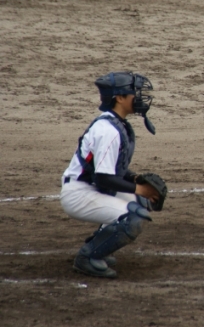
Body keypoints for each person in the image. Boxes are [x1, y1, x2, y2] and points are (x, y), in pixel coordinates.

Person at [60, 72, 161, 278]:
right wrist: (140, 188)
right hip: (80, 193)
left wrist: (135, 179)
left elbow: (112, 170)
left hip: (93, 188)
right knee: (132, 217)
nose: (139, 97)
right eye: (134, 93)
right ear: (120, 98)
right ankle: (87, 257)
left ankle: (100, 245)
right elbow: (104, 178)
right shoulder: (108, 131)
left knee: (140, 202)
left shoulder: (116, 124)